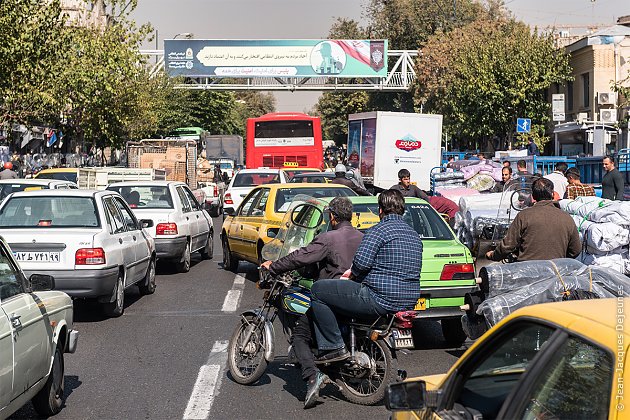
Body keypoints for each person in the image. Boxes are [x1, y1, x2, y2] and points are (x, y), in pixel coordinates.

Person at [260, 197, 363, 408]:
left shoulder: (328, 238)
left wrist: (275, 266)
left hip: (331, 297)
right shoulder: (362, 236)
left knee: (299, 335)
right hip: (356, 296)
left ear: (332, 217)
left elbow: (301, 256)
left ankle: (312, 376)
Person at [309, 189, 422, 363]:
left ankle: (333, 346)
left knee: (318, 290)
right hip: (409, 300)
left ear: (380, 210)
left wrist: (353, 274)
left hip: (379, 298)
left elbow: (361, 263)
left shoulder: (378, 231)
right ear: (402, 210)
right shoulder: (414, 235)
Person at [486, 177, 581, 262]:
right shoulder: (566, 217)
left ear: (533, 197)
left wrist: (493, 255)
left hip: (527, 273)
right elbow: (575, 250)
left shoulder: (524, 216)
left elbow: (508, 245)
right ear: (552, 194)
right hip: (556, 273)